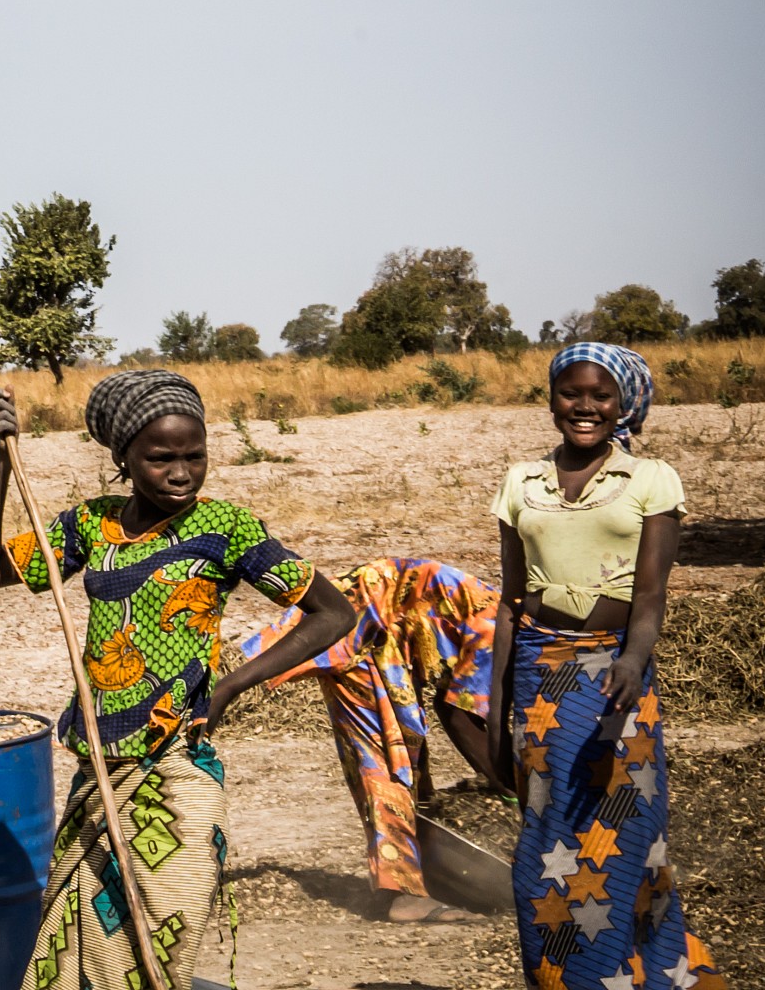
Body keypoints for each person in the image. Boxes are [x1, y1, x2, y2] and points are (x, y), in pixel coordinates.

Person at [0, 370, 355, 990]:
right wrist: (0, 461)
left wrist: (229, 685)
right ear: (123, 458)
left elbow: (334, 614)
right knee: (76, 951)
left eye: (194, 456)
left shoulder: (226, 530)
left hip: (180, 765)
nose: (181, 473)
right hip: (102, 769)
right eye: (161, 458)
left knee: (165, 940)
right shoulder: (91, 528)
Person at [488, 343, 726, 990]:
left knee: (626, 842)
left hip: (616, 680)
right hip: (539, 677)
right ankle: (567, 980)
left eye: (600, 396)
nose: (585, 407)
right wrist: (494, 707)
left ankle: (647, 978)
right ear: (551, 398)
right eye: (571, 392)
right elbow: (510, 602)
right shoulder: (520, 482)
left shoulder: (651, 480)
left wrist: (632, 659)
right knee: (543, 844)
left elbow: (650, 595)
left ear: (624, 405)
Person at [236, 557, 503, 923]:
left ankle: (428, 869)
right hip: (362, 631)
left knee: (407, 751)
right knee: (385, 761)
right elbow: (456, 715)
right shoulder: (498, 634)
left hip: (384, 627)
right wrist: (507, 788)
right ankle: (402, 895)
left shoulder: (516, 630)